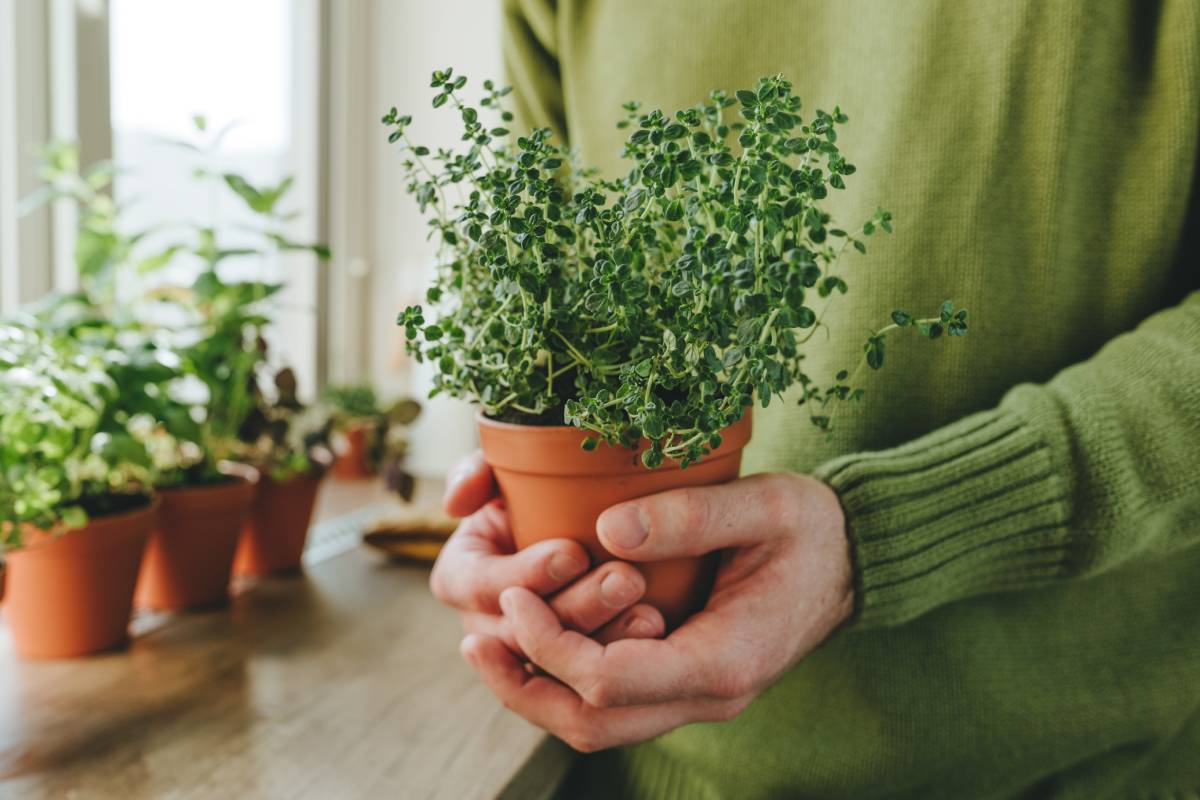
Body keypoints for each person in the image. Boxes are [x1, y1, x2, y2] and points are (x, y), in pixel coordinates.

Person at [430, 1, 1200, 797]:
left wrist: (882, 533)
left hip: (1078, 767)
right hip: (639, 771)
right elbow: (537, 286)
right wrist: (516, 537)